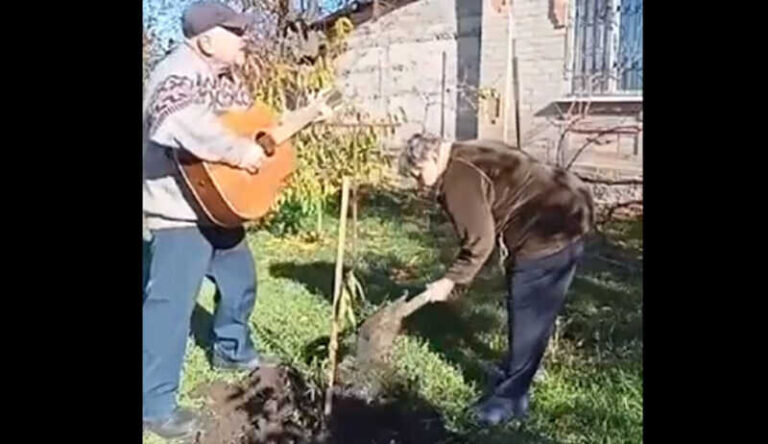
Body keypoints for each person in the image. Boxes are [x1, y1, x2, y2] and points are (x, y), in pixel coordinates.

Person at [142, 1, 274, 439]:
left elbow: (249, 122)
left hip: (216, 206)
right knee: (170, 310)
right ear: (206, 39)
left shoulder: (224, 79)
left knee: (240, 280)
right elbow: (178, 120)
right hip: (178, 211)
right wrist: (239, 153)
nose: (244, 38)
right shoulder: (176, 73)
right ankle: (155, 406)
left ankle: (231, 351)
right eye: (235, 32)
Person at [401, 133, 594, 426]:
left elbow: (480, 241)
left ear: (429, 158)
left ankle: (509, 400)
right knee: (537, 307)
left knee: (528, 306)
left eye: (417, 175)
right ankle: (526, 367)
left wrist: (450, 281)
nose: (419, 184)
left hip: (549, 228)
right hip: (573, 204)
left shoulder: (457, 179)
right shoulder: (474, 147)